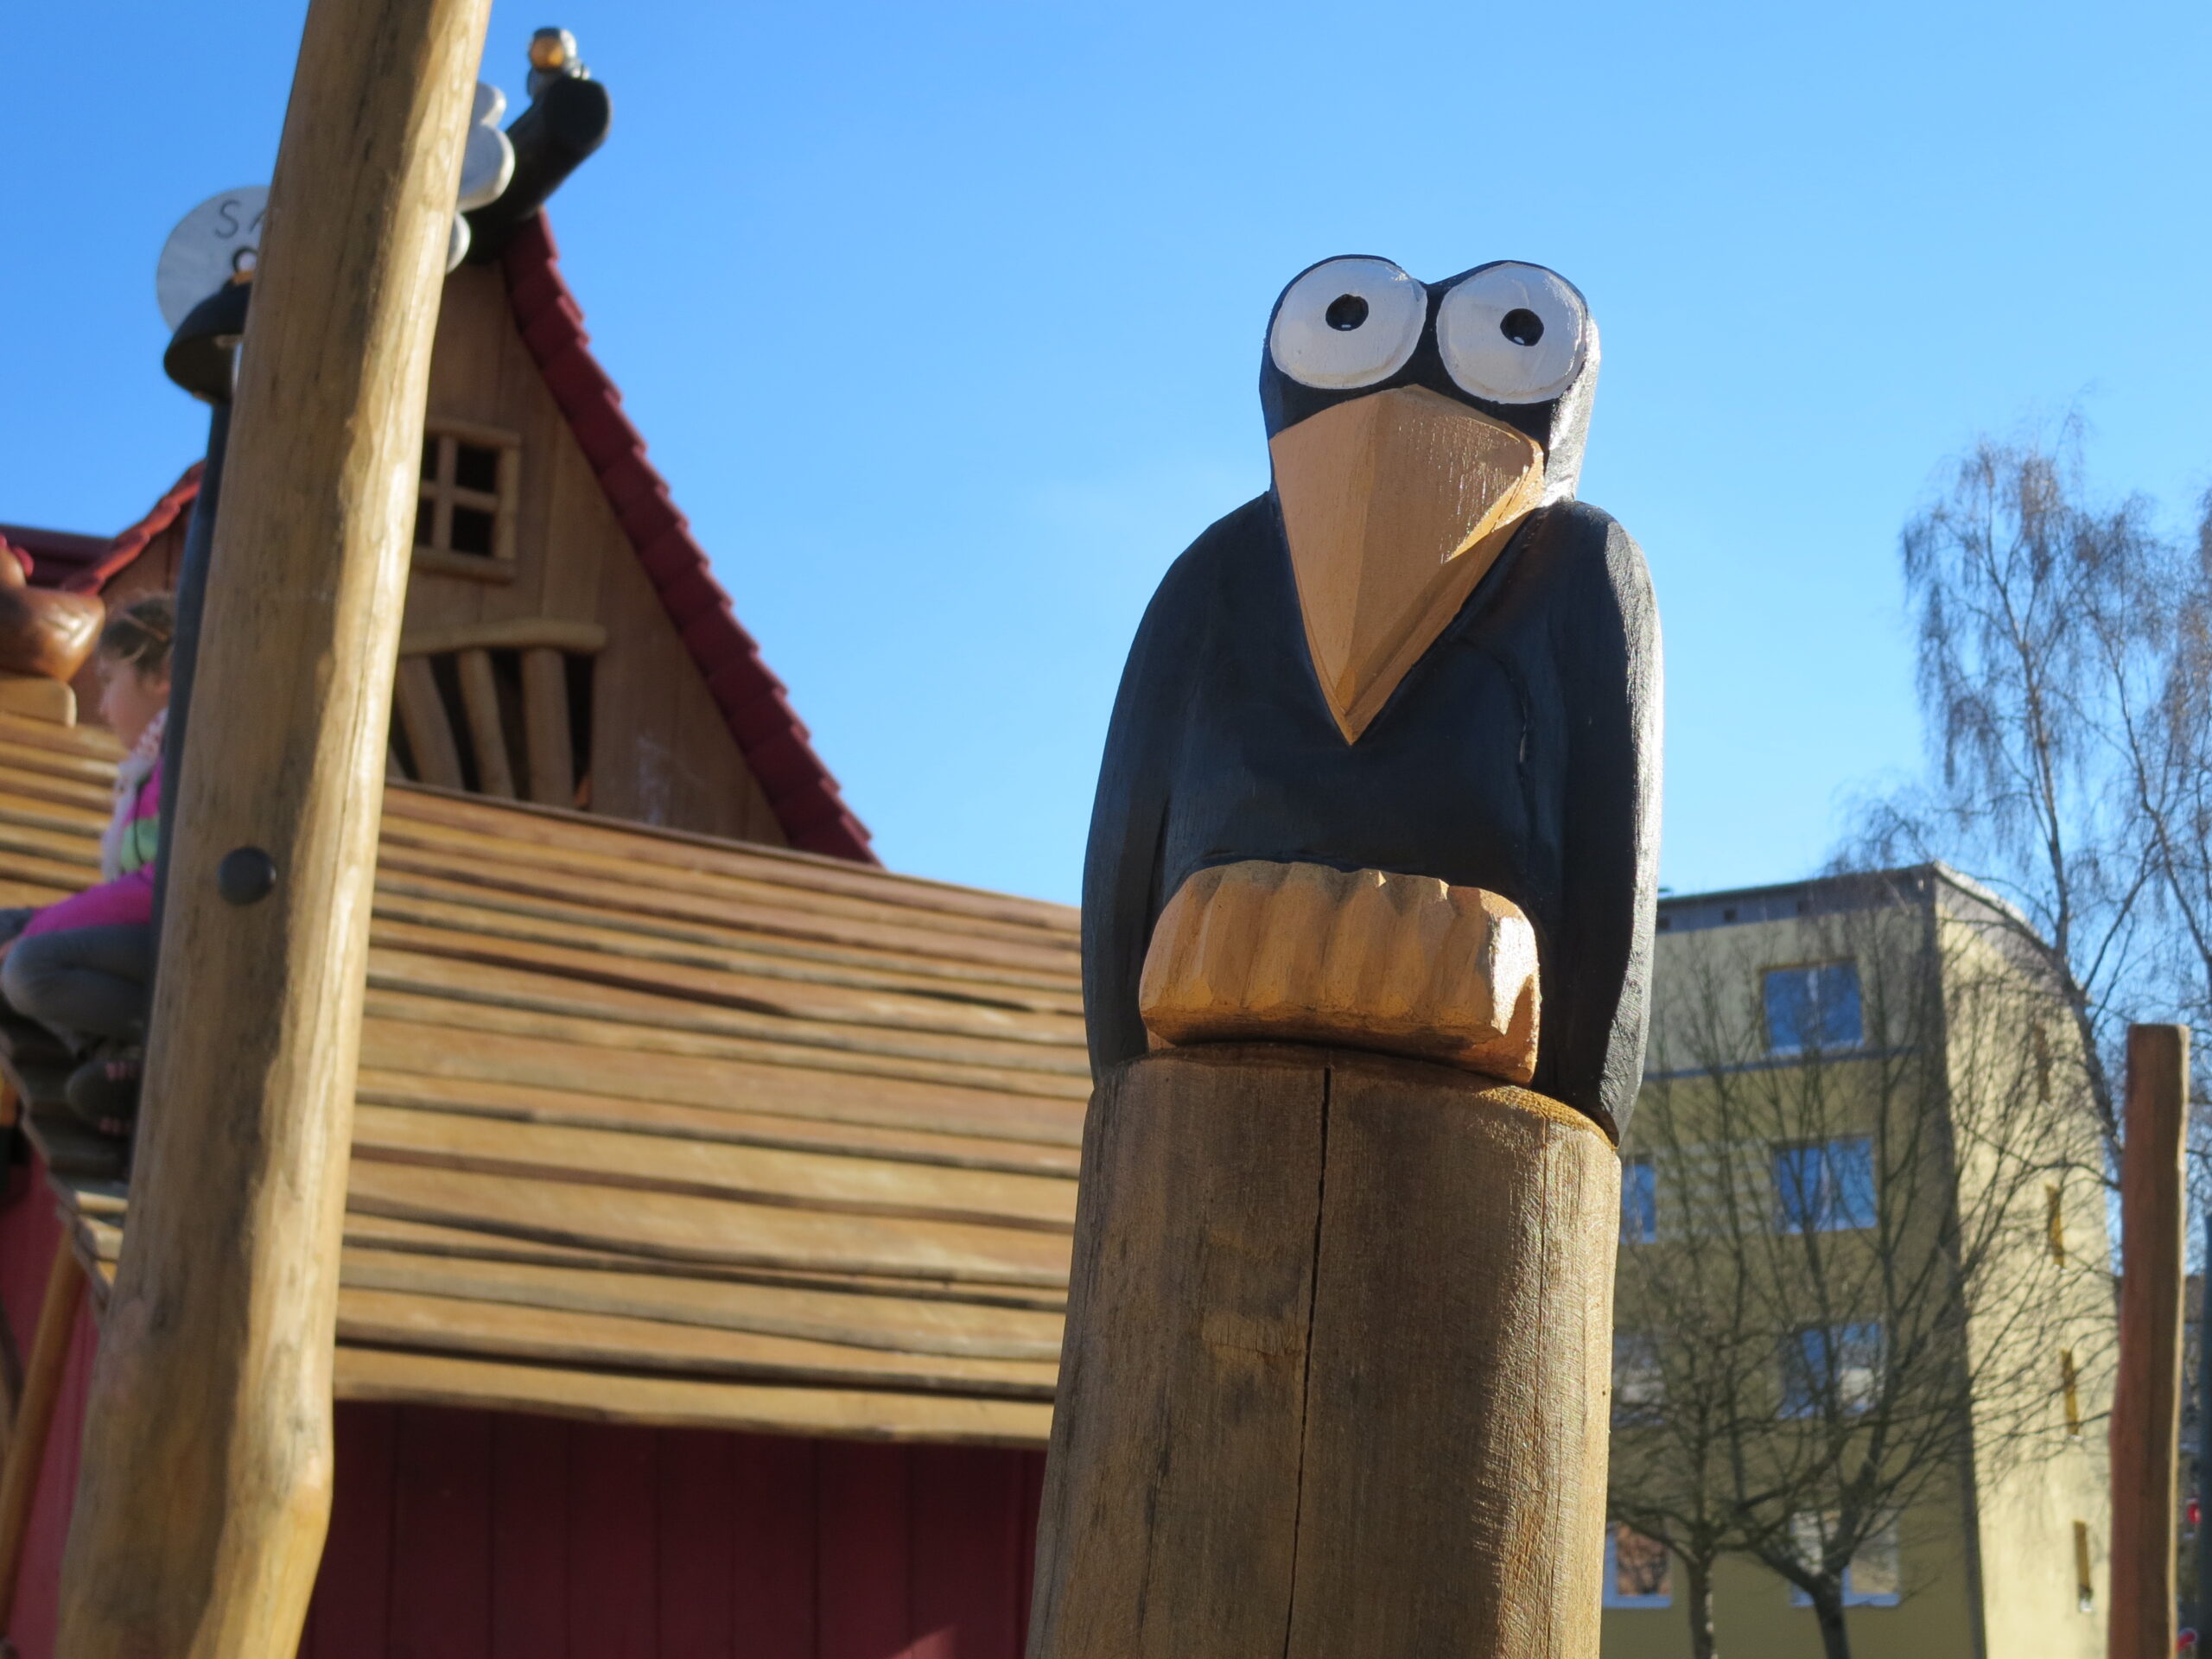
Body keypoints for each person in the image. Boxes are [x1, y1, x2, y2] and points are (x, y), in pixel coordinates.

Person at [0, 594, 171, 1135]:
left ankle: (152, 1047)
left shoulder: (187, 759)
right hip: (137, 943)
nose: (100, 705)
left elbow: (157, 888)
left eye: (109, 679)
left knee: (29, 967)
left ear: (162, 677)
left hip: (176, 951)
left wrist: (43, 931)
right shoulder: (144, 772)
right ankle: (113, 1054)